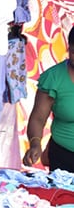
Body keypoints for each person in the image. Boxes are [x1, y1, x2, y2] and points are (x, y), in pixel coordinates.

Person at [23, 29, 74, 172]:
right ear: (69, 48)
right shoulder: (53, 78)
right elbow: (38, 118)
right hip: (64, 157)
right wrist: (35, 144)